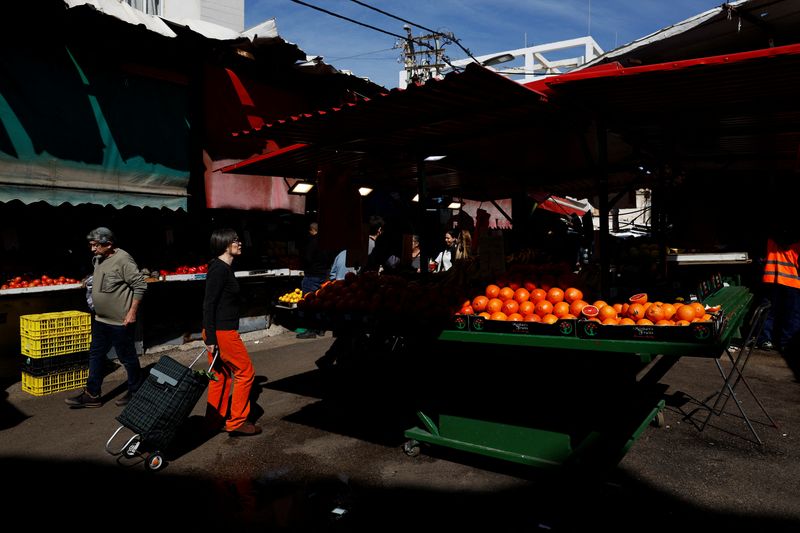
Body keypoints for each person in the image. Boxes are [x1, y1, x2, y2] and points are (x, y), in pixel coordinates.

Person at [65, 227, 146, 408]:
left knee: (127, 357)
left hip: (120, 321)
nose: (92, 249)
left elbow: (140, 285)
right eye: (91, 245)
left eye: (96, 245)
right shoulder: (100, 259)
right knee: (96, 354)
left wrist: (132, 313)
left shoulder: (123, 259)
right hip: (101, 319)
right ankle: (92, 394)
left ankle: (136, 391)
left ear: (108, 244)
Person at [202, 228, 261, 436]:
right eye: (235, 240)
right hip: (222, 332)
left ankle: (213, 421)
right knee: (245, 373)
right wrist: (210, 337)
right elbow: (209, 304)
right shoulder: (219, 269)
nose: (240, 243)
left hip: (219, 331)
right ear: (225, 244)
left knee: (220, 375)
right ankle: (237, 422)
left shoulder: (223, 268)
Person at [758, 230, 800, 353]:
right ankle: (786, 343)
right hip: (792, 282)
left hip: (771, 280)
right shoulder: (796, 243)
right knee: (792, 315)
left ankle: (765, 340)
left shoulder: (770, 240)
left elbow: (761, 259)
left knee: (768, 311)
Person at [298, 222, 330, 339]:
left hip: (312, 275)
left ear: (312, 230)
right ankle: (320, 328)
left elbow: (307, 258)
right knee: (320, 302)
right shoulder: (326, 243)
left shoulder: (312, 242)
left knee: (309, 302)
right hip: (323, 275)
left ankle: (310, 329)